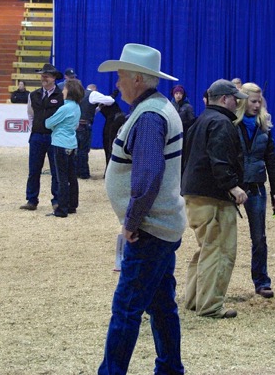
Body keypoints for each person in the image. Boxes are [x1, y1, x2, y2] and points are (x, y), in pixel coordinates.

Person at [96, 43, 187, 374]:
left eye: (120, 76)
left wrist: (132, 221)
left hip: (149, 230)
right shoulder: (156, 109)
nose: (117, 83)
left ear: (137, 79)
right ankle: (170, 369)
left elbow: (148, 177)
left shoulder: (149, 116)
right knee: (161, 306)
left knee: (126, 310)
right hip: (160, 227)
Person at [182, 79, 248, 319]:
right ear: (224, 99)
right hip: (214, 198)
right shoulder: (222, 123)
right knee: (220, 251)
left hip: (194, 194)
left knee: (206, 249)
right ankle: (210, 305)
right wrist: (233, 187)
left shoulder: (200, 120)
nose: (237, 104)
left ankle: (193, 299)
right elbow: (219, 160)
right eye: (235, 99)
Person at [234, 82, 275, 299]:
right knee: (224, 239)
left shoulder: (265, 126)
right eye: (252, 101)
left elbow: (271, 160)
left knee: (259, 238)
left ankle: (262, 282)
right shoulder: (231, 124)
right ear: (243, 101)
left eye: (259, 101)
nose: (256, 105)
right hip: (231, 188)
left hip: (255, 188)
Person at [19, 63, 64, 211]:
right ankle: (32, 200)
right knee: (34, 169)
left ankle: (56, 199)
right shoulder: (33, 95)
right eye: (42, 75)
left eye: (47, 75)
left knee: (55, 169)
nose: (44, 77)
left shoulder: (61, 95)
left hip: (54, 137)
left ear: (54, 78)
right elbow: (30, 115)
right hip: (37, 136)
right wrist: (34, 131)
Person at [45, 79, 83, 217]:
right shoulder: (77, 107)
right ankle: (72, 205)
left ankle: (62, 209)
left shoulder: (64, 108)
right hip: (71, 143)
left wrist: (55, 125)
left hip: (60, 143)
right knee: (72, 177)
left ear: (69, 91)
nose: (62, 91)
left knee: (61, 177)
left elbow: (48, 123)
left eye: (64, 89)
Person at [75, 83, 116, 179]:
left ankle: (75, 172)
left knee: (75, 150)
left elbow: (88, 109)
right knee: (83, 150)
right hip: (85, 126)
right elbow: (110, 101)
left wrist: (98, 108)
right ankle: (83, 174)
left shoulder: (80, 94)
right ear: (95, 89)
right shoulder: (93, 94)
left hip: (75, 125)